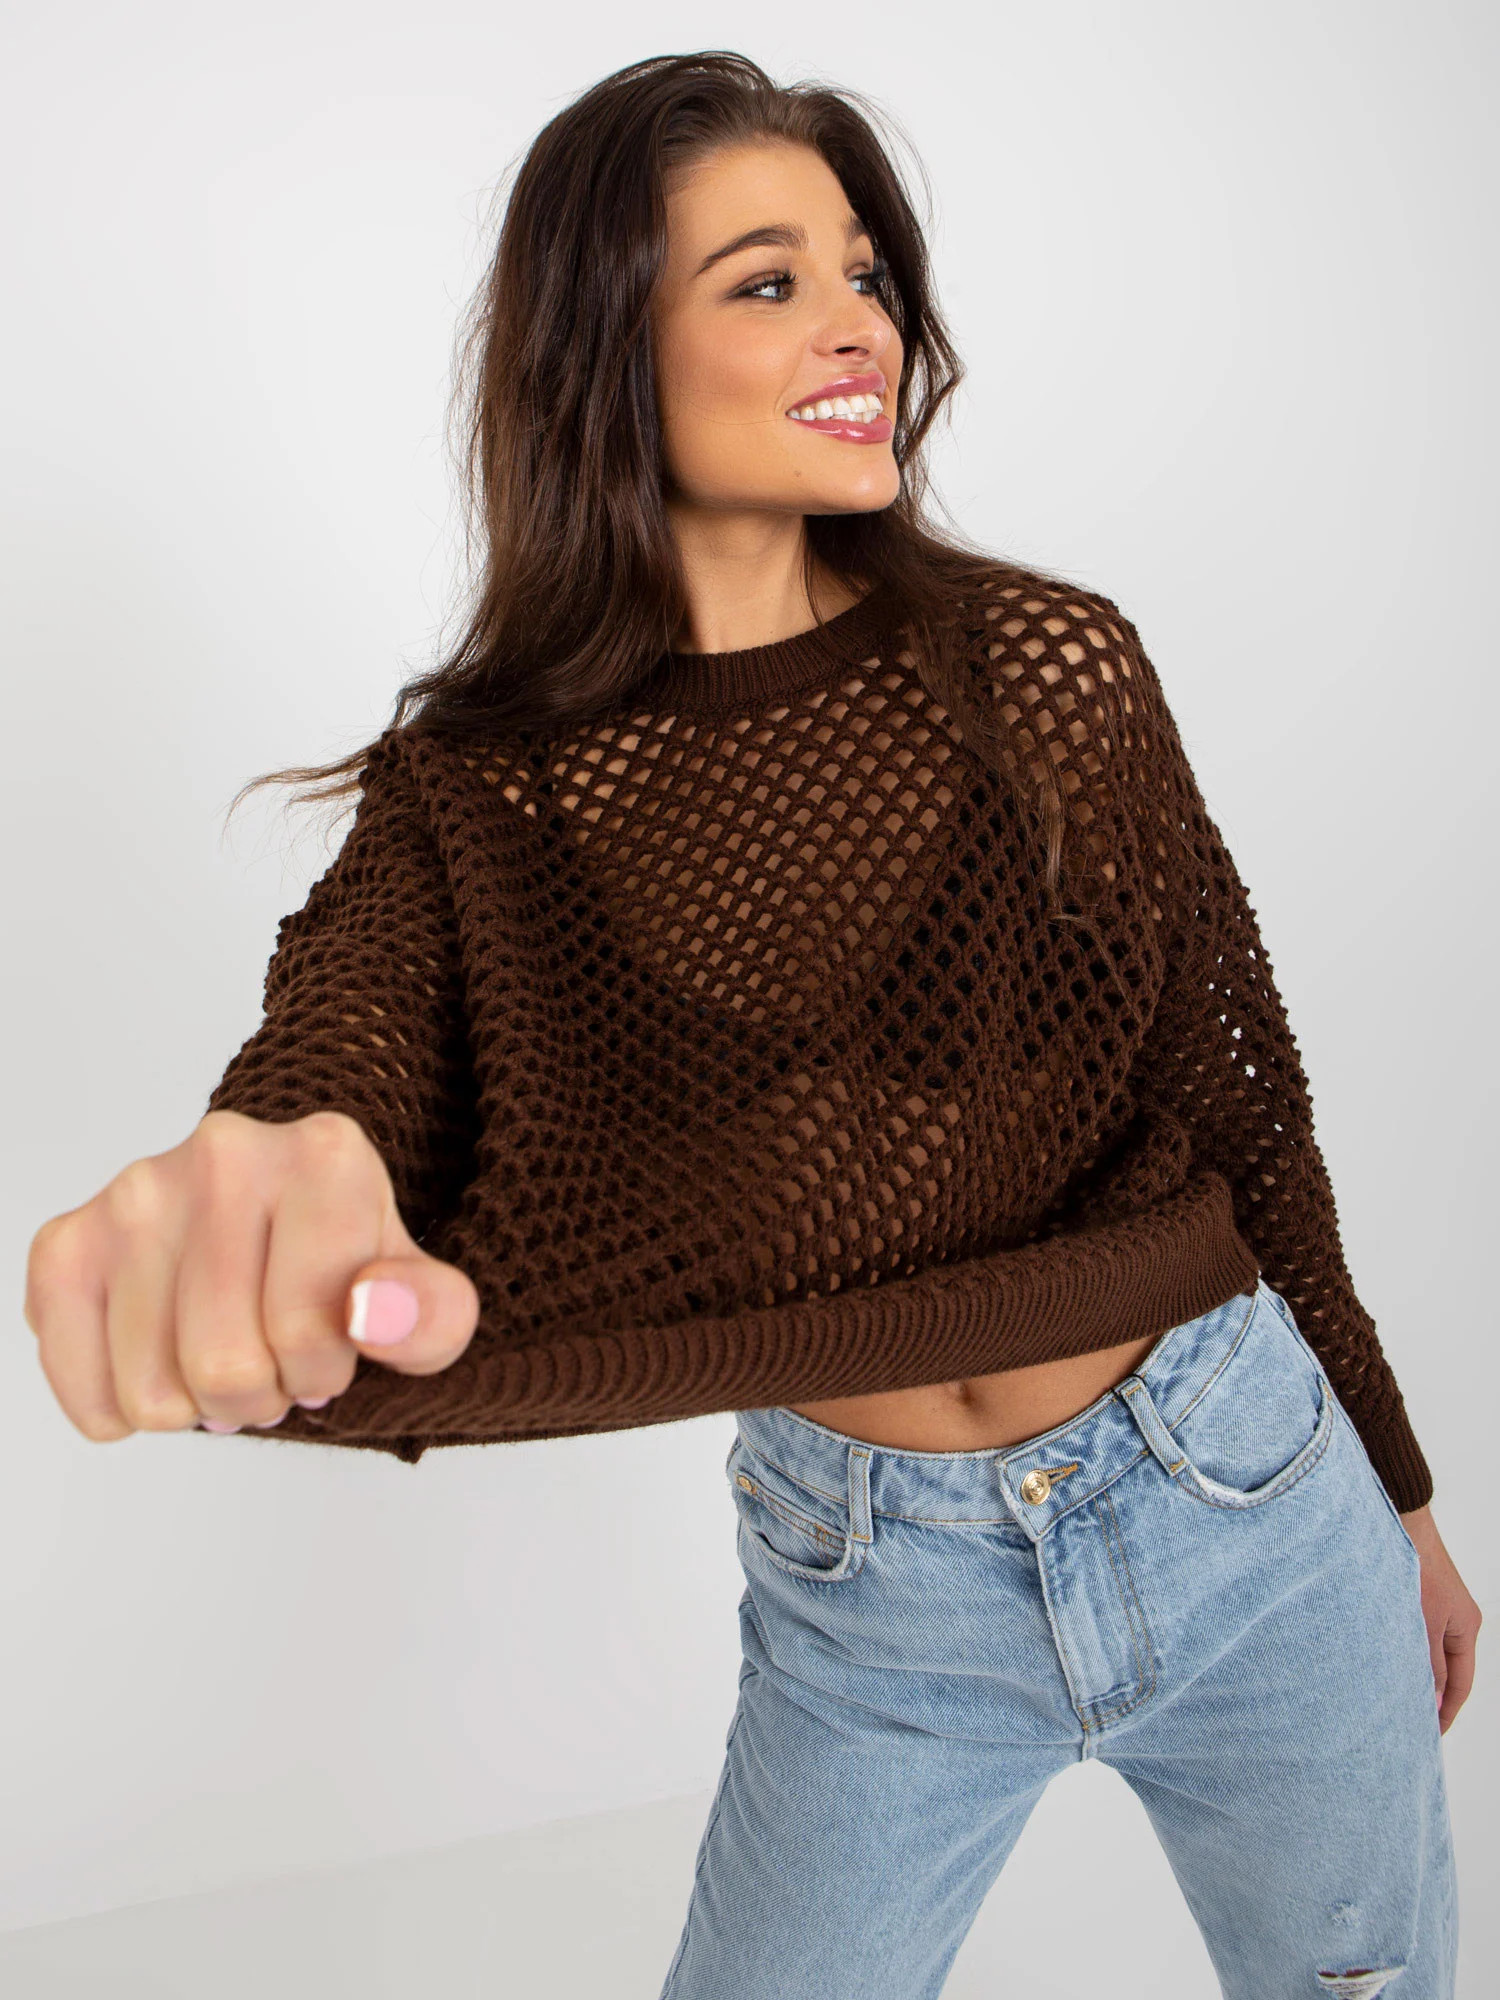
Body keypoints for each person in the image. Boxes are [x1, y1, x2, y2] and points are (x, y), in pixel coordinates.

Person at [24, 52, 1475, 2000]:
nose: (858, 322)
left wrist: (1400, 1496)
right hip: (877, 1586)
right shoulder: (484, 795)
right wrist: (278, 1149)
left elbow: (1251, 1117)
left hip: (1241, 1492)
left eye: (864, 272)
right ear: (607, 354)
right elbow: (351, 1030)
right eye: (768, 281)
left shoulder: (1044, 668)